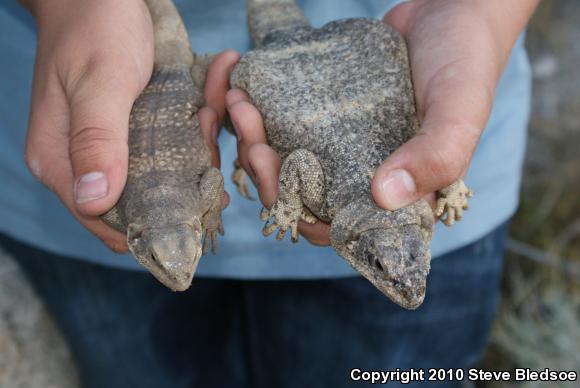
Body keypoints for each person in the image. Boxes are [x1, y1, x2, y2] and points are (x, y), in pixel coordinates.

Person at [0, 0, 537, 387]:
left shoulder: (409, 215)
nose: (409, 288)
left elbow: (310, 166)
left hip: (432, 80)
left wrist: (480, 15)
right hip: (82, 165)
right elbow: (301, 164)